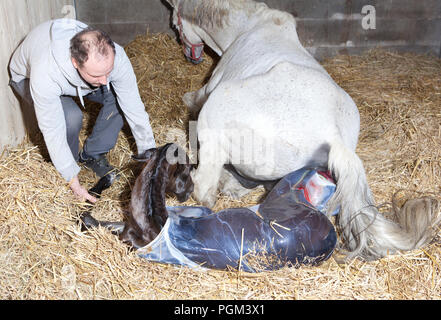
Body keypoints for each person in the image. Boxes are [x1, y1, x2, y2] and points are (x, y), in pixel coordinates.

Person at [9, 19, 156, 203]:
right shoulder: (46, 72)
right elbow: (52, 129)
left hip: (78, 81)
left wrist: (150, 158)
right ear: (75, 63)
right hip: (26, 78)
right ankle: (67, 171)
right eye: (97, 75)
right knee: (71, 117)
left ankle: (92, 155)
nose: (104, 81)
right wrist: (72, 180)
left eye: (108, 71)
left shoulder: (113, 58)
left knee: (118, 97)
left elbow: (134, 107)